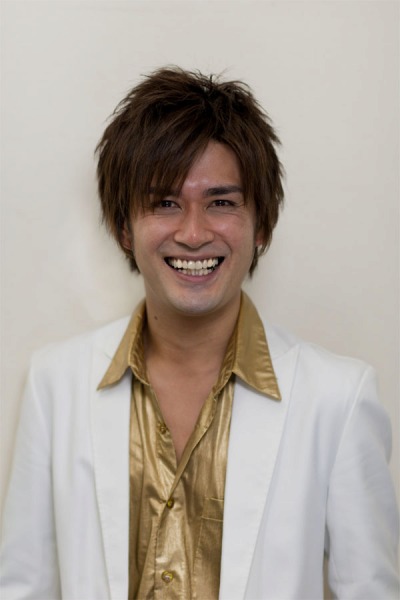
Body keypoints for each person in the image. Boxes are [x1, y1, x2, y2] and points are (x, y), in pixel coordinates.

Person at [0, 67, 398, 600]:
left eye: (221, 202)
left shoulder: (338, 399)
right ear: (123, 227)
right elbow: (23, 588)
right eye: (165, 203)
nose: (192, 233)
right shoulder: (55, 383)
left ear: (262, 225)